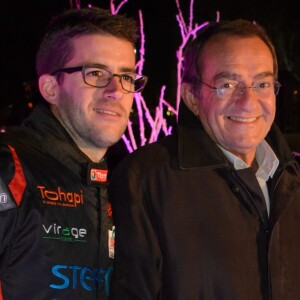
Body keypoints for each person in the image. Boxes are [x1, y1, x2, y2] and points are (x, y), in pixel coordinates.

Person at [108, 19, 300, 300]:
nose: (248, 101)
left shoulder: (291, 182)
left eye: (262, 83)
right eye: (227, 85)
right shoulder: (145, 180)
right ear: (192, 97)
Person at [0, 7, 147, 300]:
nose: (116, 91)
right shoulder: (9, 166)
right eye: (96, 73)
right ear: (51, 88)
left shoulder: (123, 186)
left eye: (127, 77)